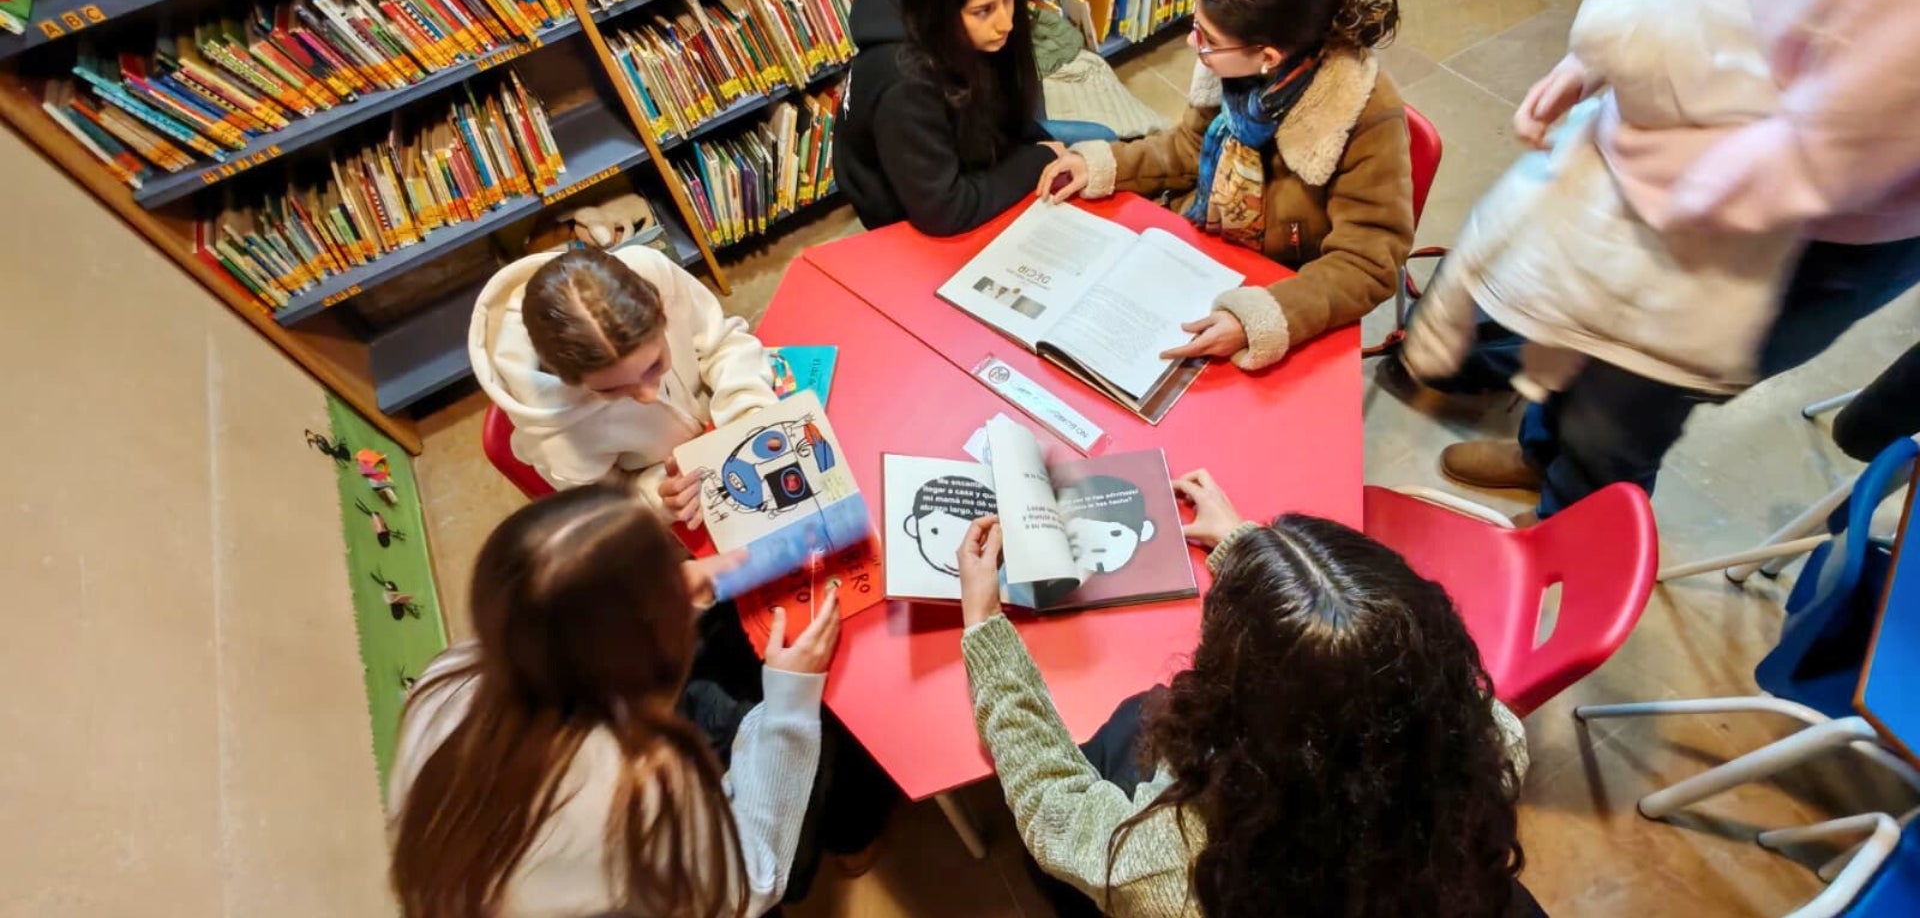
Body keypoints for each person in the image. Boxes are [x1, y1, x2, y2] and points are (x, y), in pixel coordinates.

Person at [1415, 0, 1920, 518]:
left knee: (1625, 410)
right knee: (1578, 328)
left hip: (1806, 226)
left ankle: (1574, 531)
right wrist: (1610, 57)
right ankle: (1544, 458)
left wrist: (1677, 181)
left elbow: (1857, 139)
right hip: (1700, 162)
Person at [956, 470, 1536, 918]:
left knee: (1123, 735)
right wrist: (1255, 557)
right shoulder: (1487, 742)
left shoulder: (1176, 864)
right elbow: (1352, 653)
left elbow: (1054, 807)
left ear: (1245, 725)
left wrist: (985, 629)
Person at [388, 485, 847, 917]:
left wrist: (666, 597)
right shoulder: (639, 788)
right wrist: (790, 699)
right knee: (821, 749)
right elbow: (754, 882)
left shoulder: (448, 677)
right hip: (663, 884)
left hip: (510, 880)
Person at [1039, 0, 1414, 373]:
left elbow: (1367, 262)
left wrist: (1265, 316)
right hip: (1203, 251)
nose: (1191, 44)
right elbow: (1187, 149)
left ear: (1268, 57)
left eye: (1207, 38)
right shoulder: (1232, 71)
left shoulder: (1362, 113)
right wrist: (1104, 162)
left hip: (1282, 283)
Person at [836, 0, 1111, 237]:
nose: (1006, 23)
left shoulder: (969, 27)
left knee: (1103, 143)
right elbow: (945, 210)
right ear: (940, 10)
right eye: (984, 10)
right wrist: (1037, 160)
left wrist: (1042, 150)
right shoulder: (905, 86)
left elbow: (1012, 113)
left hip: (972, 146)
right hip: (916, 215)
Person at [468, 245, 777, 525]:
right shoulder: (557, 439)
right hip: (689, 511)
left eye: (654, 365)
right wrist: (656, 499)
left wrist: (746, 412)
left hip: (734, 436)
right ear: (567, 380)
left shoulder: (652, 272)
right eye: (611, 390)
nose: (647, 394)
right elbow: (605, 508)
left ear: (660, 310)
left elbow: (721, 341)